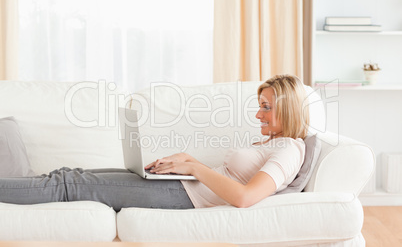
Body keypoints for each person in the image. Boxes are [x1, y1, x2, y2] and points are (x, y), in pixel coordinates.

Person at [0, 74, 309, 211]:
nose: (258, 114)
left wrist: (194, 169)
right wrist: (189, 162)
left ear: (288, 108)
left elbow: (244, 197)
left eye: (267, 107)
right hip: (185, 184)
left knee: (70, 186)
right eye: (260, 105)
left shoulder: (289, 149)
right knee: (71, 174)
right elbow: (229, 178)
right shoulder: (271, 143)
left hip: (186, 196)